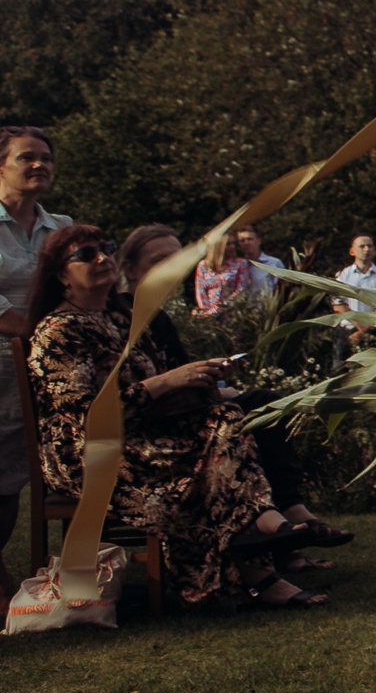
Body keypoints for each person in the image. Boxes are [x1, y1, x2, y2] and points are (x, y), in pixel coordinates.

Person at [29, 224, 327, 608]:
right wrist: (169, 381)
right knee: (221, 430)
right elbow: (86, 416)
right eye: (86, 254)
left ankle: (260, 555)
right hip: (88, 453)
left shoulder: (119, 317)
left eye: (105, 248)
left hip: (140, 434)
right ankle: (259, 531)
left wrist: (201, 379)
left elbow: (158, 389)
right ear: (60, 275)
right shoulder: (58, 332)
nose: (102, 258)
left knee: (227, 417)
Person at [0, 125, 69, 566]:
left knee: (19, 478)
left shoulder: (61, 229)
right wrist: (54, 333)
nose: (39, 165)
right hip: (1, 372)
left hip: (52, 373)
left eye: (45, 157)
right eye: (27, 157)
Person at [333, 233, 376, 360]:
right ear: (352, 251)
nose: (366, 249)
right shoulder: (343, 275)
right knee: (341, 369)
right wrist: (359, 326)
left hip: (372, 330)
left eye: (370, 246)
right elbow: (338, 305)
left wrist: (366, 329)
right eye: (362, 246)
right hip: (348, 329)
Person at [192, 226, 258, 315]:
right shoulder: (203, 265)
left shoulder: (240, 264)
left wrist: (218, 310)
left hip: (231, 313)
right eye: (228, 244)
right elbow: (200, 291)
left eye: (233, 243)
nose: (232, 247)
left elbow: (241, 290)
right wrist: (205, 311)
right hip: (207, 316)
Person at [233, 225, 286, 301]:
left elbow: (282, 290)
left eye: (249, 239)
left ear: (258, 241)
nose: (246, 243)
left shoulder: (274, 263)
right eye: (242, 240)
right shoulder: (238, 267)